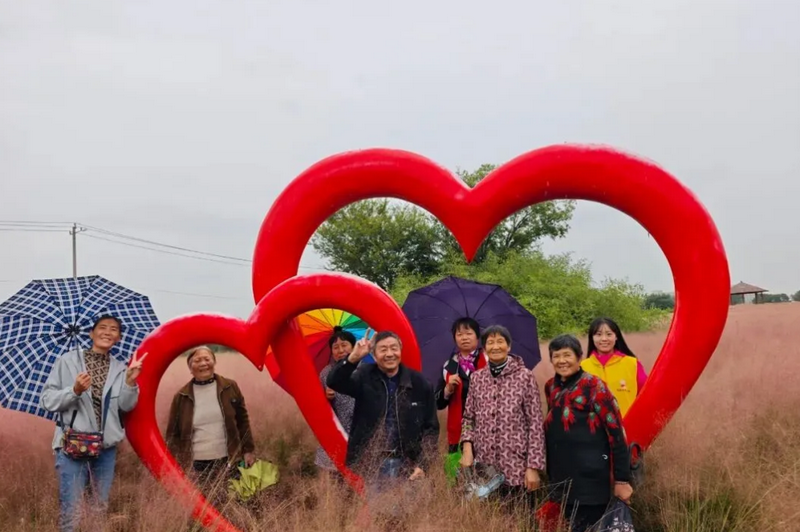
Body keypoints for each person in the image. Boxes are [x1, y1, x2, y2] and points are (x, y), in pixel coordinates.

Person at [41, 314, 146, 532]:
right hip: (73, 446)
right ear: (91, 333)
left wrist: (130, 381)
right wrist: (74, 390)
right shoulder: (67, 362)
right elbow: (48, 400)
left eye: (114, 329)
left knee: (99, 509)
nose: (108, 332)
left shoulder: (120, 368)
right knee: (71, 510)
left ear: (118, 337)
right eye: (103, 327)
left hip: (105, 448)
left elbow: (126, 406)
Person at [326, 329, 439, 493]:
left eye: (394, 348)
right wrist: (353, 358)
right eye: (383, 349)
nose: (390, 354)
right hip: (373, 462)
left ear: (400, 350)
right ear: (373, 354)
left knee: (410, 514)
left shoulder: (420, 383)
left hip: (409, 463)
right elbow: (335, 382)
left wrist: (424, 464)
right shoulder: (363, 376)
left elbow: (431, 428)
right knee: (379, 515)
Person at [544, 334, 633, 532]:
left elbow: (617, 433)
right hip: (561, 478)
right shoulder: (551, 386)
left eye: (567, 355)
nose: (562, 361)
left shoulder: (595, 387)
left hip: (591, 480)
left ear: (579, 357)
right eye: (556, 356)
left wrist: (622, 480)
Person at [459, 325, 546, 503]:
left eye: (500, 341)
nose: (495, 346)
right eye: (490, 342)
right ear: (484, 348)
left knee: (519, 519)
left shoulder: (525, 376)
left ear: (509, 346)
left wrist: (533, 467)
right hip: (485, 468)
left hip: (517, 467)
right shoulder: (477, 378)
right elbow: (469, 418)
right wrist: (467, 450)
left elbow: (535, 424)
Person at [166, 346, 255, 499]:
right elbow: (173, 433)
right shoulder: (181, 396)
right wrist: (175, 464)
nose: (203, 363)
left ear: (214, 362)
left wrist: (248, 450)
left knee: (232, 501)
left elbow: (243, 420)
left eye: (207, 359)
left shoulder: (230, 387)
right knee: (203, 504)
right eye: (197, 360)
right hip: (196, 462)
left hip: (228, 457)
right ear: (190, 367)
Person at [434, 317, 487, 480]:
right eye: (459, 334)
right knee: (458, 479)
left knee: (485, 477)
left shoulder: (488, 360)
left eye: (469, 333)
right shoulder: (448, 365)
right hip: (457, 429)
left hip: (485, 428)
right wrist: (448, 389)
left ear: (477, 337)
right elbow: (439, 403)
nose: (464, 337)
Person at [581, 317, 647, 418]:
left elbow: (646, 395)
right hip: (593, 430)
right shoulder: (582, 367)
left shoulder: (632, 363)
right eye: (598, 334)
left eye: (609, 334)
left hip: (627, 428)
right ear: (592, 338)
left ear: (616, 337)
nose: (604, 339)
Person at [314, 327, 357, 475]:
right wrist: (326, 398)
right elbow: (317, 408)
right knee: (335, 475)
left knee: (359, 474)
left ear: (354, 346)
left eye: (344, 345)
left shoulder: (364, 370)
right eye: (335, 347)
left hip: (359, 432)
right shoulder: (326, 373)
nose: (340, 350)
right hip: (336, 430)